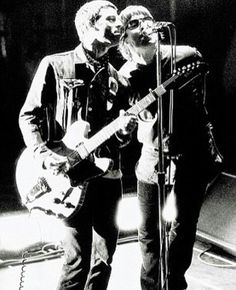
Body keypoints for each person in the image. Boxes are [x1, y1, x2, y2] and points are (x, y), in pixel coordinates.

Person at [18, 1, 138, 289]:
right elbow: (28, 115)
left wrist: (126, 131)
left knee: (104, 256)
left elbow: (120, 140)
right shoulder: (56, 64)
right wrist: (43, 155)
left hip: (107, 176)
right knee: (78, 258)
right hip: (68, 175)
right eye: (111, 19)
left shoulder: (118, 79)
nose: (119, 24)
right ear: (90, 24)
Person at [119, 5, 223, 290]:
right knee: (148, 231)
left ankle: (174, 283)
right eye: (134, 24)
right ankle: (151, 285)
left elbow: (202, 103)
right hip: (151, 157)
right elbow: (128, 119)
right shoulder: (127, 75)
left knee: (183, 225)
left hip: (191, 153)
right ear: (125, 39)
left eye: (147, 20)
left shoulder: (186, 55)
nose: (143, 26)